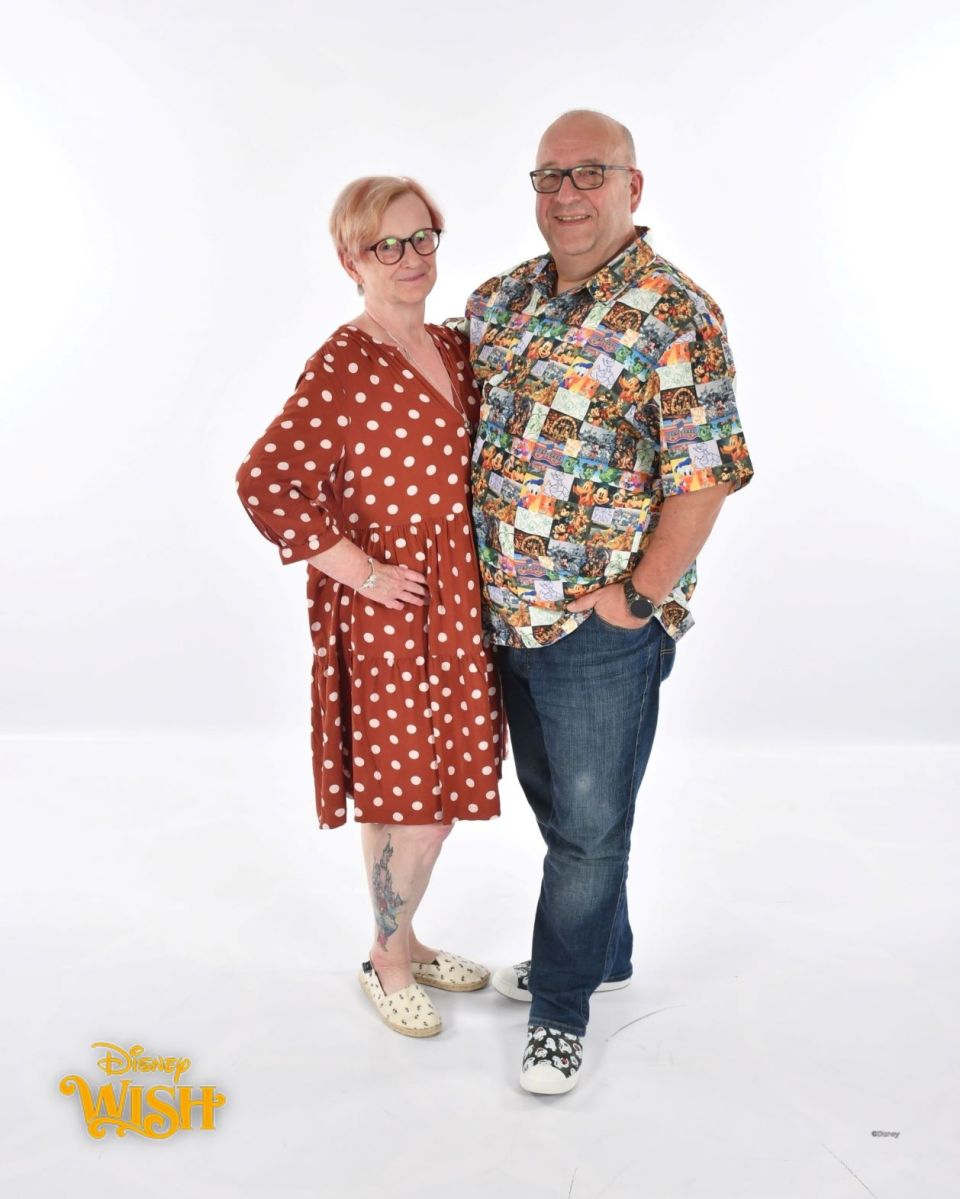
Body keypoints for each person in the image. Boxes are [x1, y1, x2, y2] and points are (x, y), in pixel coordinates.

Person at [462, 110, 755, 1092]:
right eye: (549, 175)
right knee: (563, 806)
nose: (567, 193)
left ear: (634, 186)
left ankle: (561, 1008)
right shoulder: (502, 299)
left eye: (590, 173)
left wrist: (637, 595)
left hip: (600, 624)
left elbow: (704, 474)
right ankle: (604, 948)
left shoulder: (676, 313)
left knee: (589, 827)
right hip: (506, 608)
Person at [236, 176, 504, 1039]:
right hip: (390, 613)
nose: (409, 257)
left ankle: (405, 935)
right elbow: (265, 481)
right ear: (351, 259)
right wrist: (360, 570)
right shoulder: (343, 363)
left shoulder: (453, 346)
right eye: (386, 244)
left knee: (412, 795)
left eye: (422, 237)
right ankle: (386, 959)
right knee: (420, 805)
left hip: (456, 599)